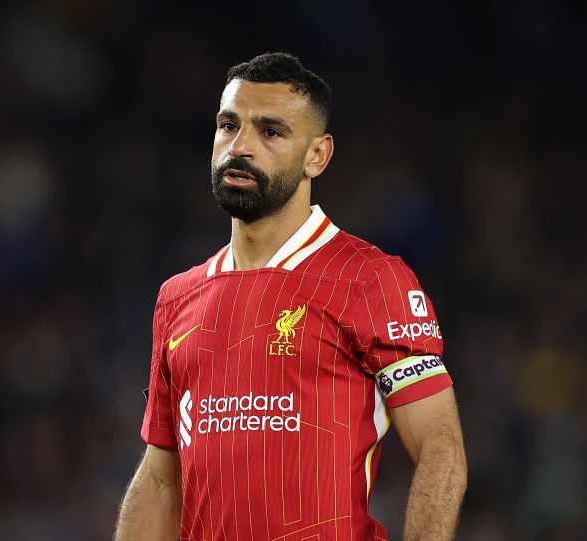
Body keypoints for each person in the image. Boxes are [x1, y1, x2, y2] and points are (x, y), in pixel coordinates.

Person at [114, 52, 467, 541]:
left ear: (317, 156)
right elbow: (159, 478)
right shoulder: (178, 299)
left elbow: (440, 449)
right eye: (228, 125)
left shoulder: (370, 278)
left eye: (271, 132)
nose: (240, 146)